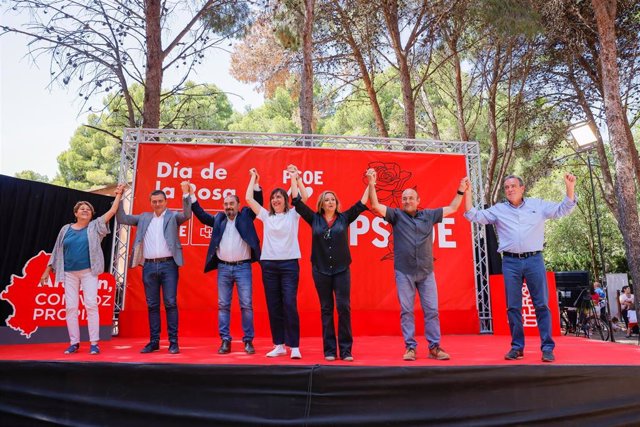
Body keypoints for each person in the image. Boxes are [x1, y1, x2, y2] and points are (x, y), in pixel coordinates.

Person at [464, 173, 577, 362]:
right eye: (506, 187)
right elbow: (473, 215)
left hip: (534, 260)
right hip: (510, 263)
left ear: (522, 188)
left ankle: (547, 348)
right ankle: (517, 347)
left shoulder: (537, 205)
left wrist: (570, 187)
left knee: (541, 305)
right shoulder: (498, 210)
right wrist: (467, 193)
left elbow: (563, 209)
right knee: (513, 307)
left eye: (513, 186)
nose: (510, 189)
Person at [367, 169, 469, 361]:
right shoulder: (396, 215)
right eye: (404, 198)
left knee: (432, 311)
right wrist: (372, 183)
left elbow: (453, 208)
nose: (407, 201)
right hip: (404, 272)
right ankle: (410, 348)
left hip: (426, 272)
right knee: (406, 311)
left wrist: (461, 190)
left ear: (418, 200)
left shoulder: (429, 215)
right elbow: (375, 205)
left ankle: (434, 347)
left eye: (411, 198)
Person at [291, 168, 369, 362]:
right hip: (320, 270)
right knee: (326, 309)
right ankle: (329, 350)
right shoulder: (314, 218)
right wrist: (294, 178)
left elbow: (362, 203)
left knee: (343, 308)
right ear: (321, 204)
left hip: (342, 270)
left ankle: (346, 350)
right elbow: (296, 202)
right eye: (327, 199)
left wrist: (371, 183)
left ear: (336, 203)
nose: (330, 202)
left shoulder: (344, 218)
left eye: (333, 199)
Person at [40, 184, 125, 355]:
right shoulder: (66, 229)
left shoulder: (95, 227)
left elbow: (112, 212)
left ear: (92, 214)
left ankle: (94, 343)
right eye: (82, 209)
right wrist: (47, 270)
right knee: (71, 307)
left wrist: (118, 194)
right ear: (76, 213)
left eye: (88, 209)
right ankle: (74, 342)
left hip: (88, 272)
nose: (85, 211)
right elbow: (57, 250)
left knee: (91, 304)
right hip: (69, 273)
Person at [188, 178, 263, 355]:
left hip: (243, 268)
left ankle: (248, 341)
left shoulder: (246, 215)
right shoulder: (220, 219)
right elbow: (201, 215)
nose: (228, 206)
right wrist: (191, 195)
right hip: (223, 269)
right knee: (223, 305)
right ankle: (225, 340)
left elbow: (257, 203)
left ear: (238, 205)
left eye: (231, 203)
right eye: (226, 204)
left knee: (246, 305)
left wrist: (255, 185)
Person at [116, 182, 192, 354]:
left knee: (170, 303)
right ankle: (154, 342)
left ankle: (173, 342)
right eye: (154, 201)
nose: (157, 204)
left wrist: (186, 194)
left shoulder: (172, 217)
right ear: (150, 203)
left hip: (169, 265)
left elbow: (187, 214)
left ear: (165, 202)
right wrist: (119, 197)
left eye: (160, 201)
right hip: (149, 266)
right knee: (152, 305)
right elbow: (122, 218)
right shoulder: (143, 217)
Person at [245, 167, 307, 359]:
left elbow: (303, 198)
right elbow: (248, 199)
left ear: (285, 201)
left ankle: (294, 346)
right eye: (273, 197)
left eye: (280, 197)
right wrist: (254, 178)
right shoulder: (266, 215)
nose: (276, 200)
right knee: (274, 305)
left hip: (289, 265)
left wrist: (295, 178)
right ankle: (279, 344)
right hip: (269, 266)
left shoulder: (293, 214)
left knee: (289, 303)